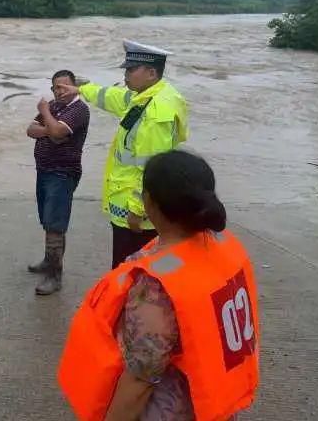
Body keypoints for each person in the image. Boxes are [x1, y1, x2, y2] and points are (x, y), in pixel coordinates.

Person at [58, 150, 260, 420]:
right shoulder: (223, 247)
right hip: (214, 405)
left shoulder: (155, 286)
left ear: (149, 203)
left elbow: (141, 378)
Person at [59, 40, 188, 268]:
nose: (126, 75)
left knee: (129, 270)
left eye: (130, 69)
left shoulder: (156, 112)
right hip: (130, 204)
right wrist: (81, 89)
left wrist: (138, 210)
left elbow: (153, 167)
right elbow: (113, 97)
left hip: (136, 213)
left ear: (150, 72)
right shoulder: (145, 96)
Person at [26, 70, 90, 295]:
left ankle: (55, 275)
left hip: (62, 173)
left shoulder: (79, 109)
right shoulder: (54, 106)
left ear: (74, 87)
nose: (59, 91)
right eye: (55, 87)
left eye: (64, 86)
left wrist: (44, 112)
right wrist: (49, 130)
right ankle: (48, 260)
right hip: (43, 170)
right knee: (47, 218)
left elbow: (60, 130)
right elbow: (31, 130)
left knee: (56, 223)